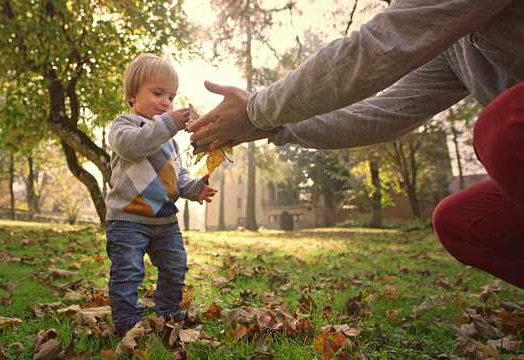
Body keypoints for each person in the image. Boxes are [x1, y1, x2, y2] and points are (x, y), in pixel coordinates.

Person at [188, 0, 524, 289]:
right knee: (461, 222)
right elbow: (386, 112)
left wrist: (256, 110)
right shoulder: (450, 43)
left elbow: (377, 47)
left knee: (504, 127)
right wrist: (275, 127)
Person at [106, 53, 218, 334]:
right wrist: (168, 123)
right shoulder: (124, 125)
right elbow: (132, 147)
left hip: (165, 222)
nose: (166, 102)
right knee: (128, 271)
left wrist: (194, 187)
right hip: (128, 218)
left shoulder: (168, 139)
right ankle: (127, 321)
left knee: (176, 266)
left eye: (171, 96)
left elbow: (176, 177)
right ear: (132, 95)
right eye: (158, 93)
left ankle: (168, 312)